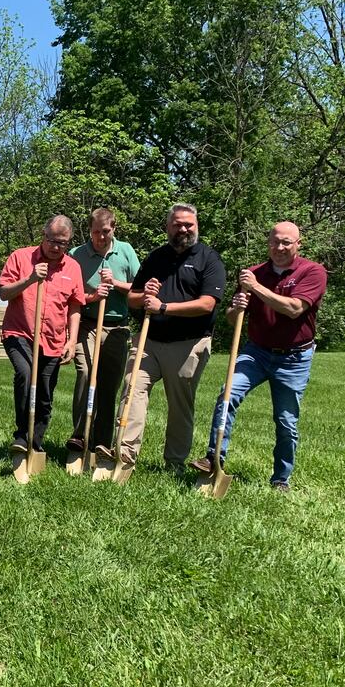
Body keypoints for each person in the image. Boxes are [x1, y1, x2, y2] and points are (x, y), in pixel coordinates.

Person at [189, 222, 327, 490]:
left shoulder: (313, 271)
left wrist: (257, 289)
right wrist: (236, 308)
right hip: (256, 352)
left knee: (286, 420)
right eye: (275, 241)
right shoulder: (254, 274)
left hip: (294, 358)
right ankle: (213, 458)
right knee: (227, 394)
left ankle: (280, 478)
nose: (280, 247)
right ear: (268, 243)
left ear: (298, 244)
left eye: (287, 242)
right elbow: (232, 318)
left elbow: (294, 308)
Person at [98, 203, 226, 470]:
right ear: (168, 227)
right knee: (132, 390)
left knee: (180, 405)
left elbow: (207, 304)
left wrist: (164, 307)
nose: (183, 229)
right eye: (178, 224)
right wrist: (145, 296)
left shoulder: (209, 258)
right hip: (149, 341)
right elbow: (132, 298)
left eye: (189, 224)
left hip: (188, 343)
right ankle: (123, 454)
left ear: (196, 226)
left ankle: (174, 461)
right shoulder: (156, 257)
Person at [0, 216, 86, 453]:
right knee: (26, 375)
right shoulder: (21, 257)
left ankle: (35, 441)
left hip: (53, 339)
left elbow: (75, 307)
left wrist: (71, 339)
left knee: (45, 392)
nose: (56, 247)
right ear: (43, 235)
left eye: (63, 243)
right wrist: (30, 279)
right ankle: (21, 436)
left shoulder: (73, 267)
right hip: (20, 332)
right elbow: (4, 293)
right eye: (52, 240)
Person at [66, 209, 141, 455]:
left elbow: (140, 289)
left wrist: (115, 284)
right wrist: (93, 296)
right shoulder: (77, 255)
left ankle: (101, 442)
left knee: (109, 385)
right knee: (86, 373)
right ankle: (80, 435)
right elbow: (69, 296)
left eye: (105, 231)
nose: (100, 237)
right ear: (90, 230)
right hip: (87, 323)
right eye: (96, 232)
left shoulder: (126, 251)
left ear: (114, 228)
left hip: (117, 326)